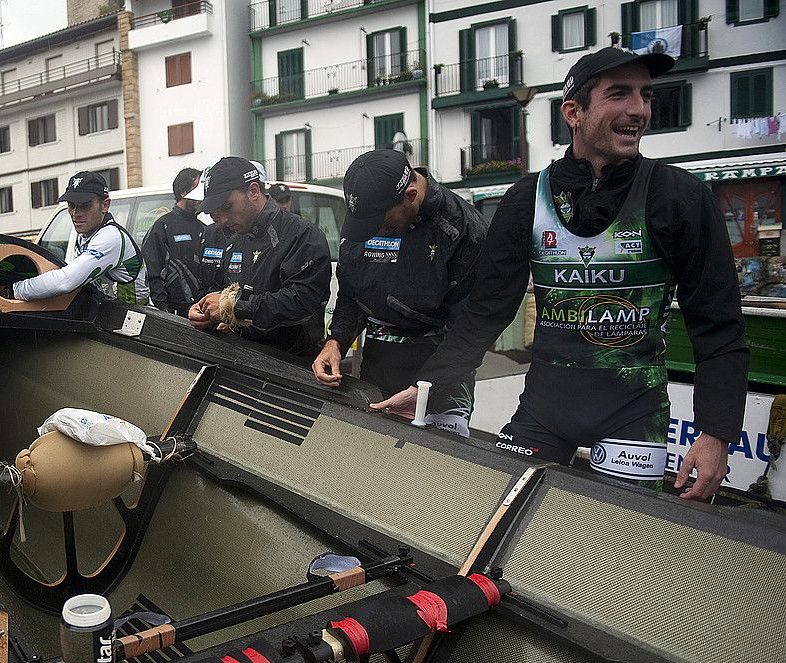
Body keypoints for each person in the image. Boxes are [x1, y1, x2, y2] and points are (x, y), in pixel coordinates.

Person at [376, 48, 749, 500]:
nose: (639, 110)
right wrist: (431, 386)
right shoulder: (525, 200)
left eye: (646, 96)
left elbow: (718, 322)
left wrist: (716, 432)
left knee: (619, 548)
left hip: (634, 409)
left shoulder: (679, 197)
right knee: (505, 527)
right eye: (619, 94)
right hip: (545, 407)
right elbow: (486, 311)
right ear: (573, 112)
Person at [313, 150, 485, 436]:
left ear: (410, 195)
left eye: (381, 222)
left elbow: (470, 332)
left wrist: (425, 387)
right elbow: (351, 295)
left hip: (442, 375)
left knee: (432, 471)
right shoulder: (367, 215)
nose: (375, 231)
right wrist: (335, 342)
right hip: (378, 366)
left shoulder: (465, 231)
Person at [188, 156, 332, 360]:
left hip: (291, 365)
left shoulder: (302, 235)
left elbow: (302, 304)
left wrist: (234, 306)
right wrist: (205, 310)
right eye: (216, 211)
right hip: (242, 360)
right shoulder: (234, 235)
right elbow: (221, 290)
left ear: (254, 191)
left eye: (227, 207)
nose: (223, 219)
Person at [9, 171, 147, 304]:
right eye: (71, 205)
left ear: (105, 205)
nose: (76, 213)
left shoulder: (111, 238)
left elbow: (65, 281)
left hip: (138, 321)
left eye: (85, 206)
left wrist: (14, 290)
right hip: (110, 316)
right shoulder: (85, 235)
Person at [143, 167, 205, 315]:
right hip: (175, 313)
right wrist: (165, 312)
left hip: (202, 310)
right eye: (197, 189)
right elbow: (154, 275)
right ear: (184, 192)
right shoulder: (162, 227)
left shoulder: (205, 228)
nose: (202, 196)